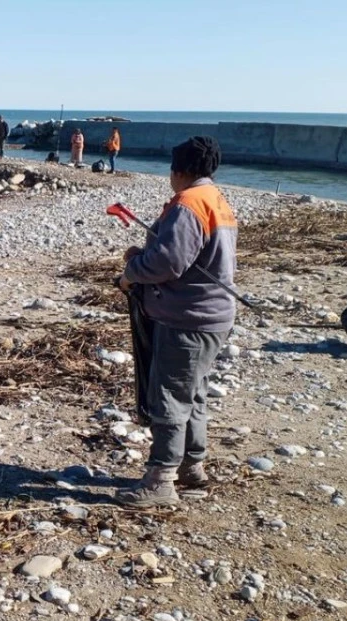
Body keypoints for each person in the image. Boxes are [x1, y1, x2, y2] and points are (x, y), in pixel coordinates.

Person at [115, 136, 238, 507]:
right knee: (193, 394)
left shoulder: (189, 203)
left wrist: (132, 272)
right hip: (213, 317)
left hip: (187, 317)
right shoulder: (217, 201)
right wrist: (147, 253)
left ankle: (161, 480)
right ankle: (191, 465)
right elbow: (194, 255)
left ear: (180, 170)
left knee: (168, 396)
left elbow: (168, 263)